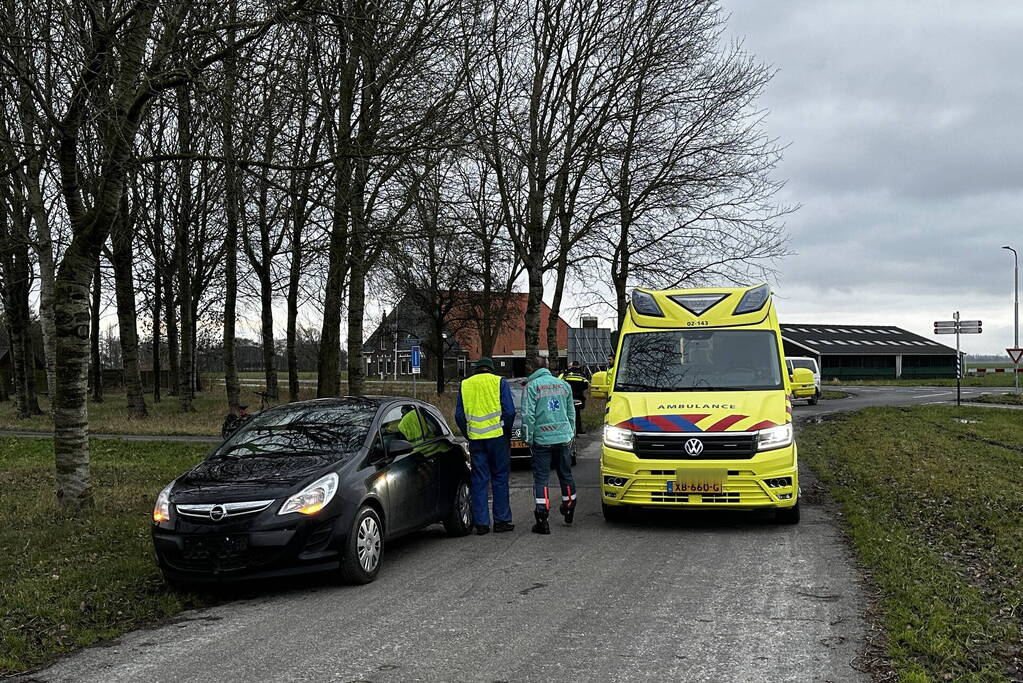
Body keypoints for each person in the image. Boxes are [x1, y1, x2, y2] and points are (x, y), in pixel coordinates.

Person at [455, 358, 516, 535]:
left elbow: (459, 415)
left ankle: (481, 524)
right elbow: (510, 411)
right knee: (499, 477)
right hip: (497, 438)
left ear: (476, 370)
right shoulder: (499, 382)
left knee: (479, 479)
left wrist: (469, 433)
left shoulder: (465, 384)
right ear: (491, 369)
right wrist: (506, 430)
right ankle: (502, 520)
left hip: (476, 439)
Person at [521, 356, 577, 535]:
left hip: (542, 440)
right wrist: (571, 435)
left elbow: (528, 416)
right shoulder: (563, 385)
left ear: (533, 368)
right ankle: (569, 506)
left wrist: (528, 438)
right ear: (547, 367)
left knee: (541, 479)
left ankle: (542, 519)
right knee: (565, 474)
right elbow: (571, 413)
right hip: (563, 438)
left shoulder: (532, 387)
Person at [559, 360, 590, 435]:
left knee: (567, 413)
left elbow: (559, 383)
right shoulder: (582, 374)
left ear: (571, 366)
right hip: (579, 397)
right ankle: (578, 429)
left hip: (567, 397)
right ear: (578, 366)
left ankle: (567, 430)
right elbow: (586, 385)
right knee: (577, 413)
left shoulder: (565, 374)